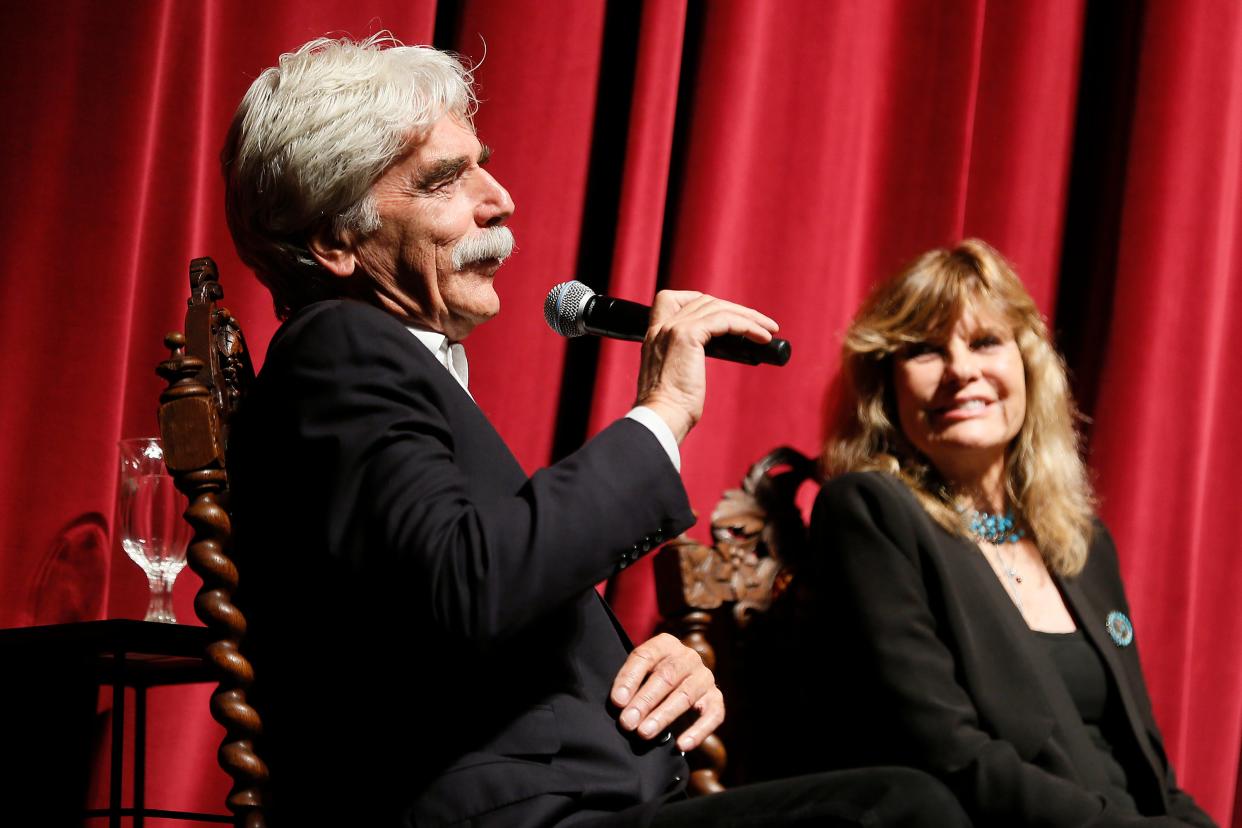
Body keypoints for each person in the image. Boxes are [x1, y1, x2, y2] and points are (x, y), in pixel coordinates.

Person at [220, 33, 969, 827]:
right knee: (897, 810)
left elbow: (444, 612)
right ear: (336, 240)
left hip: (585, 802)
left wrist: (653, 666)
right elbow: (469, 586)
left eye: (482, 162)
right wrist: (662, 414)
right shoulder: (339, 346)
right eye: (445, 180)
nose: (499, 198)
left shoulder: (378, 365)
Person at [799, 239, 1215, 826]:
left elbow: (1153, 776)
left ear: (1028, 366)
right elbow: (948, 754)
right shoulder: (871, 513)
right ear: (884, 389)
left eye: (985, 342)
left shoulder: (1082, 545)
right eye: (924, 350)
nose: (961, 370)